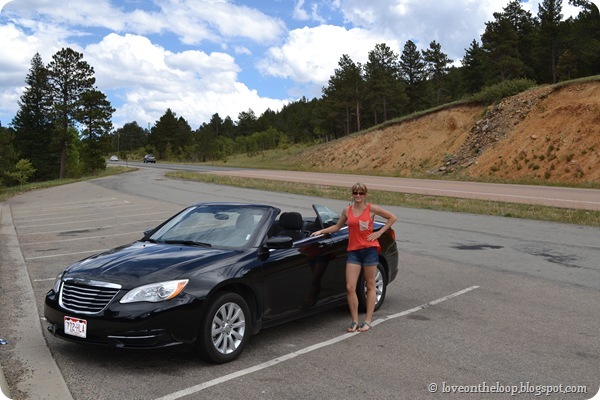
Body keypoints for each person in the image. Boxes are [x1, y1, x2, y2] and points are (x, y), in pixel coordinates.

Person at [311, 183, 397, 332]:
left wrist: (379, 233)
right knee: (350, 287)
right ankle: (354, 321)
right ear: (352, 194)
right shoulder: (347, 210)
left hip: (369, 250)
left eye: (361, 193)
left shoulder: (371, 209)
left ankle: (368, 320)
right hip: (354, 252)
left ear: (365, 195)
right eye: (355, 193)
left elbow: (392, 217)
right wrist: (321, 232)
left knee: (370, 285)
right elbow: (337, 227)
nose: (358, 196)